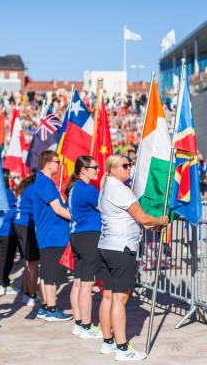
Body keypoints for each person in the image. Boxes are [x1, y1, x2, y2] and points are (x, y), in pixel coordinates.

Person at [98, 155, 168, 361]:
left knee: (109, 296)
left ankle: (108, 341)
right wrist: (161, 219)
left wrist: (152, 224)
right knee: (120, 297)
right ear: (112, 169)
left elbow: (139, 221)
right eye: (125, 165)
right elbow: (143, 217)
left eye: (129, 164)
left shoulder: (106, 187)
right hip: (121, 248)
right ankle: (122, 347)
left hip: (108, 245)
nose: (129, 169)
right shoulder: (119, 189)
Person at [66, 156, 107, 341]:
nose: (97, 170)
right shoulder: (88, 189)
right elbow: (105, 207)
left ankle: (79, 322)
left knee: (80, 282)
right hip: (88, 236)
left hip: (77, 236)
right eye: (94, 168)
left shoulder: (75, 188)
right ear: (83, 170)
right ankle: (86, 325)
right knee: (87, 284)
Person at [32, 151, 72, 321]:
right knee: (51, 274)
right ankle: (52, 308)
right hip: (52, 235)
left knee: (47, 273)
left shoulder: (42, 181)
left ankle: (45, 306)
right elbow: (58, 209)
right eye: (57, 161)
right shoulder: (45, 182)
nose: (59, 164)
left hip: (49, 234)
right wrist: (78, 217)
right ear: (48, 164)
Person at [14, 173, 40, 307]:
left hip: (20, 224)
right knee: (33, 263)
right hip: (27, 225)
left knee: (28, 261)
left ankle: (26, 293)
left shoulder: (27, 187)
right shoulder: (35, 188)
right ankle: (31, 295)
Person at [0, 169, 20, 295]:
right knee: (4, 258)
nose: (11, 179)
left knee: (6, 258)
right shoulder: (6, 193)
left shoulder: (4, 192)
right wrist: (17, 210)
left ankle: (4, 281)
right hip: (6, 230)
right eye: (9, 177)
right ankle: (2, 282)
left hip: (7, 231)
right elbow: (4, 212)